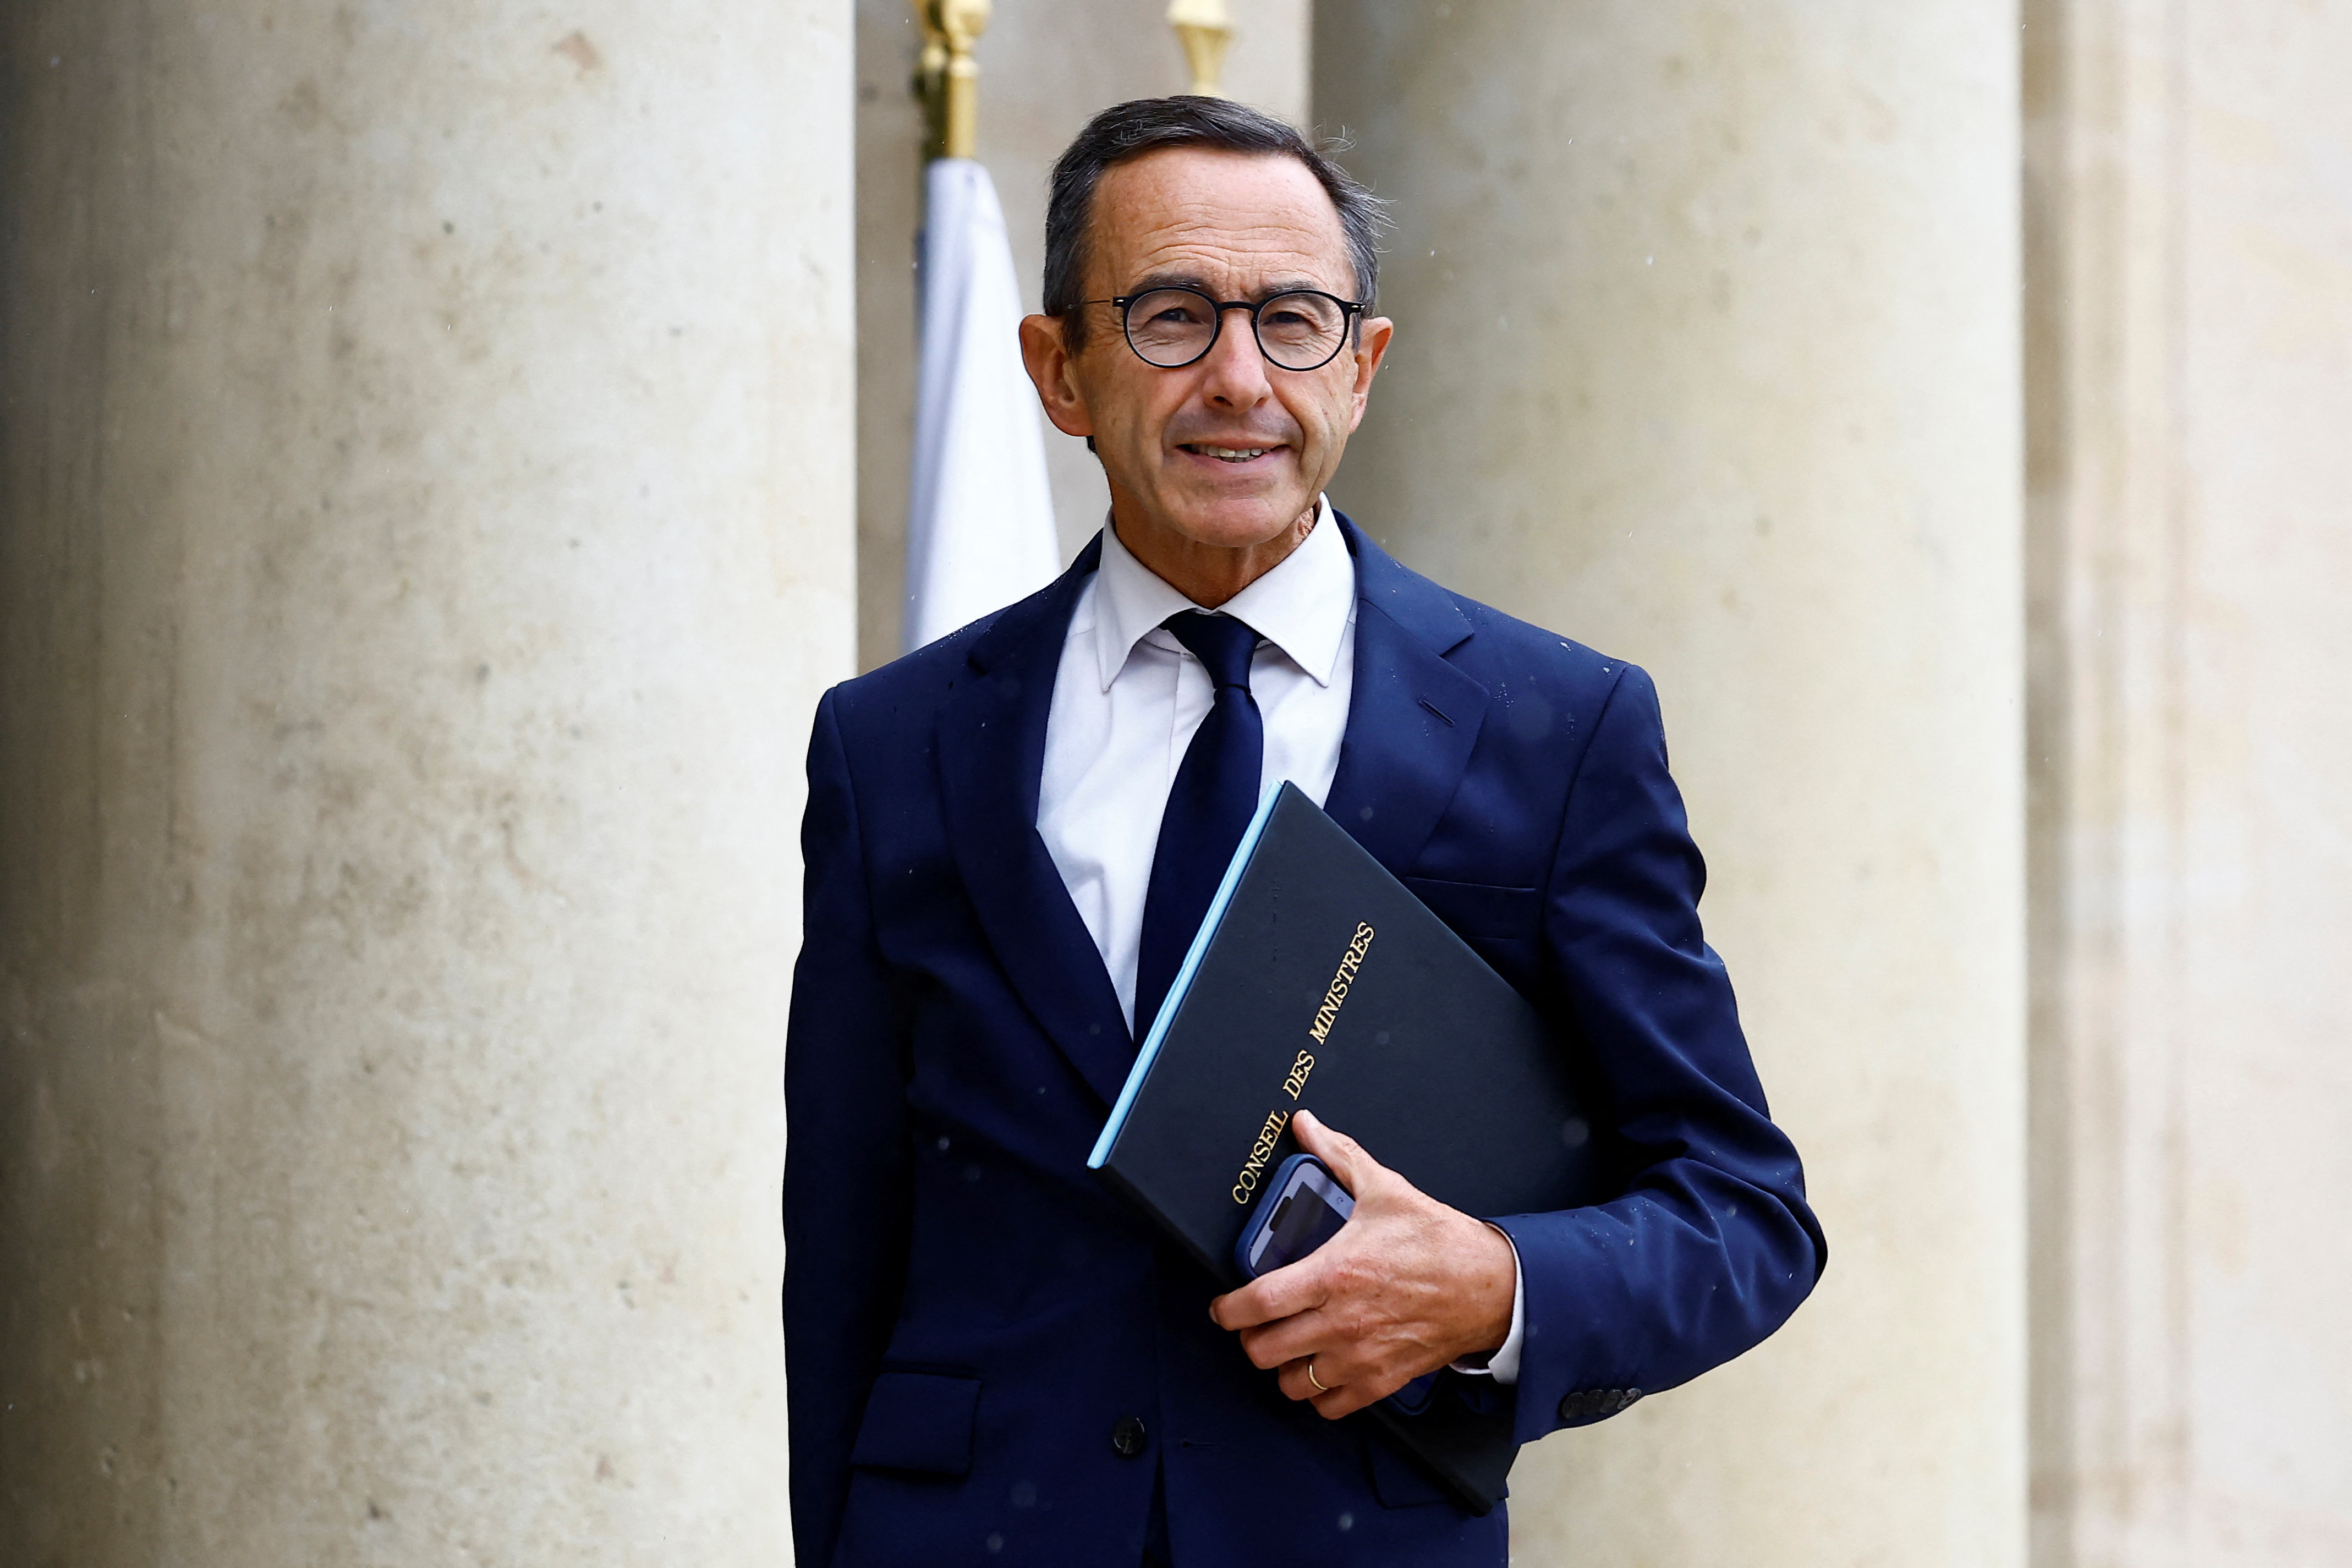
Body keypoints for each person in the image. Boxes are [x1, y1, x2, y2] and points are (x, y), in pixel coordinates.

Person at [784, 96, 1825, 1568]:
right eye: (1166, 317)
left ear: (1364, 364)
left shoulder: (1555, 726)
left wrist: (1495, 1282)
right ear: (1056, 368)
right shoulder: (889, 743)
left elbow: (1742, 1213)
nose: (1235, 379)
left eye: (1291, 320)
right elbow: (839, 1250)